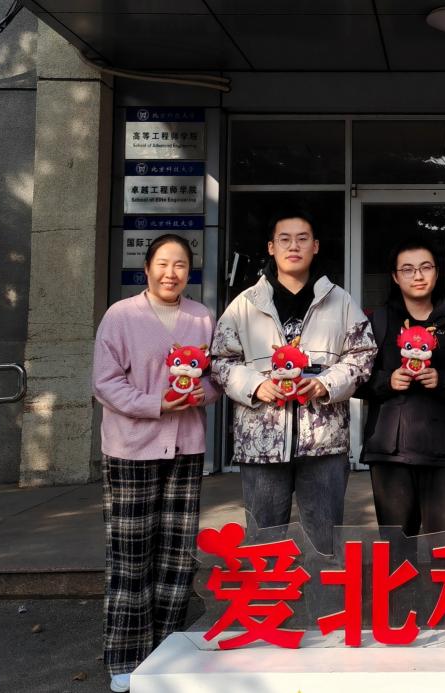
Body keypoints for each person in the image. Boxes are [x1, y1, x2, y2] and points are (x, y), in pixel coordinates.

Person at [92, 234, 217, 693]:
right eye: (162, 263)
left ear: (189, 271)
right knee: (130, 554)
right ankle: (126, 657)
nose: (171, 273)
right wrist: (156, 404)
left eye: (180, 264)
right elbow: (105, 382)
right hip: (131, 449)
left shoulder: (202, 317)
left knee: (177, 555)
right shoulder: (121, 316)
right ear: (146, 268)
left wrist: (202, 393)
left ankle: (167, 651)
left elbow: (217, 376)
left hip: (186, 447)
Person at [211, 210, 377, 555]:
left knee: (324, 545)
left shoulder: (339, 300)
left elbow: (363, 354)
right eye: (284, 239)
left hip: (324, 442)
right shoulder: (245, 304)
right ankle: (268, 593)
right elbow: (221, 360)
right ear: (271, 247)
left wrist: (325, 384)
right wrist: (255, 386)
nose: (293, 246)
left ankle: (323, 591)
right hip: (262, 443)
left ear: (315, 246)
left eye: (302, 239)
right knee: (264, 545)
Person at [359, 239, 445, 536]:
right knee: (397, 546)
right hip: (390, 449)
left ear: (437, 272)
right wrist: (387, 381)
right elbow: (355, 379)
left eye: (425, 267)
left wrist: (443, 381)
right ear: (395, 277)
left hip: (443, 448)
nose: (418, 276)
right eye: (407, 269)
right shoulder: (377, 322)